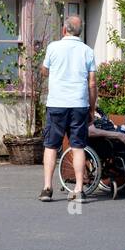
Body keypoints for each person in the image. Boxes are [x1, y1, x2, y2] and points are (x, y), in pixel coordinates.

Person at [39, 15, 96, 201]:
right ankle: (79, 189)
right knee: (78, 146)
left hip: (57, 103)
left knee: (51, 146)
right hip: (79, 103)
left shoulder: (53, 47)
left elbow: (44, 70)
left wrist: (48, 70)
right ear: (80, 32)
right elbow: (92, 83)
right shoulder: (87, 51)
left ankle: (47, 188)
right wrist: (92, 108)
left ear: (64, 30)